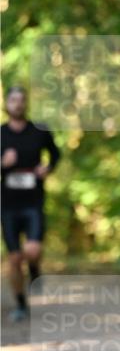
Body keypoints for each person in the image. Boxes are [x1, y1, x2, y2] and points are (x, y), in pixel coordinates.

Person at [1, 86, 60, 322]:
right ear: (6, 104)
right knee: (15, 258)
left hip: (34, 201)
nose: (18, 104)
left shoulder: (39, 131)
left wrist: (48, 168)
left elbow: (55, 154)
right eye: (13, 100)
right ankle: (21, 305)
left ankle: (35, 270)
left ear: (26, 104)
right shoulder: (1, 134)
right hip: (7, 204)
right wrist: (3, 164)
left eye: (21, 100)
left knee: (32, 250)